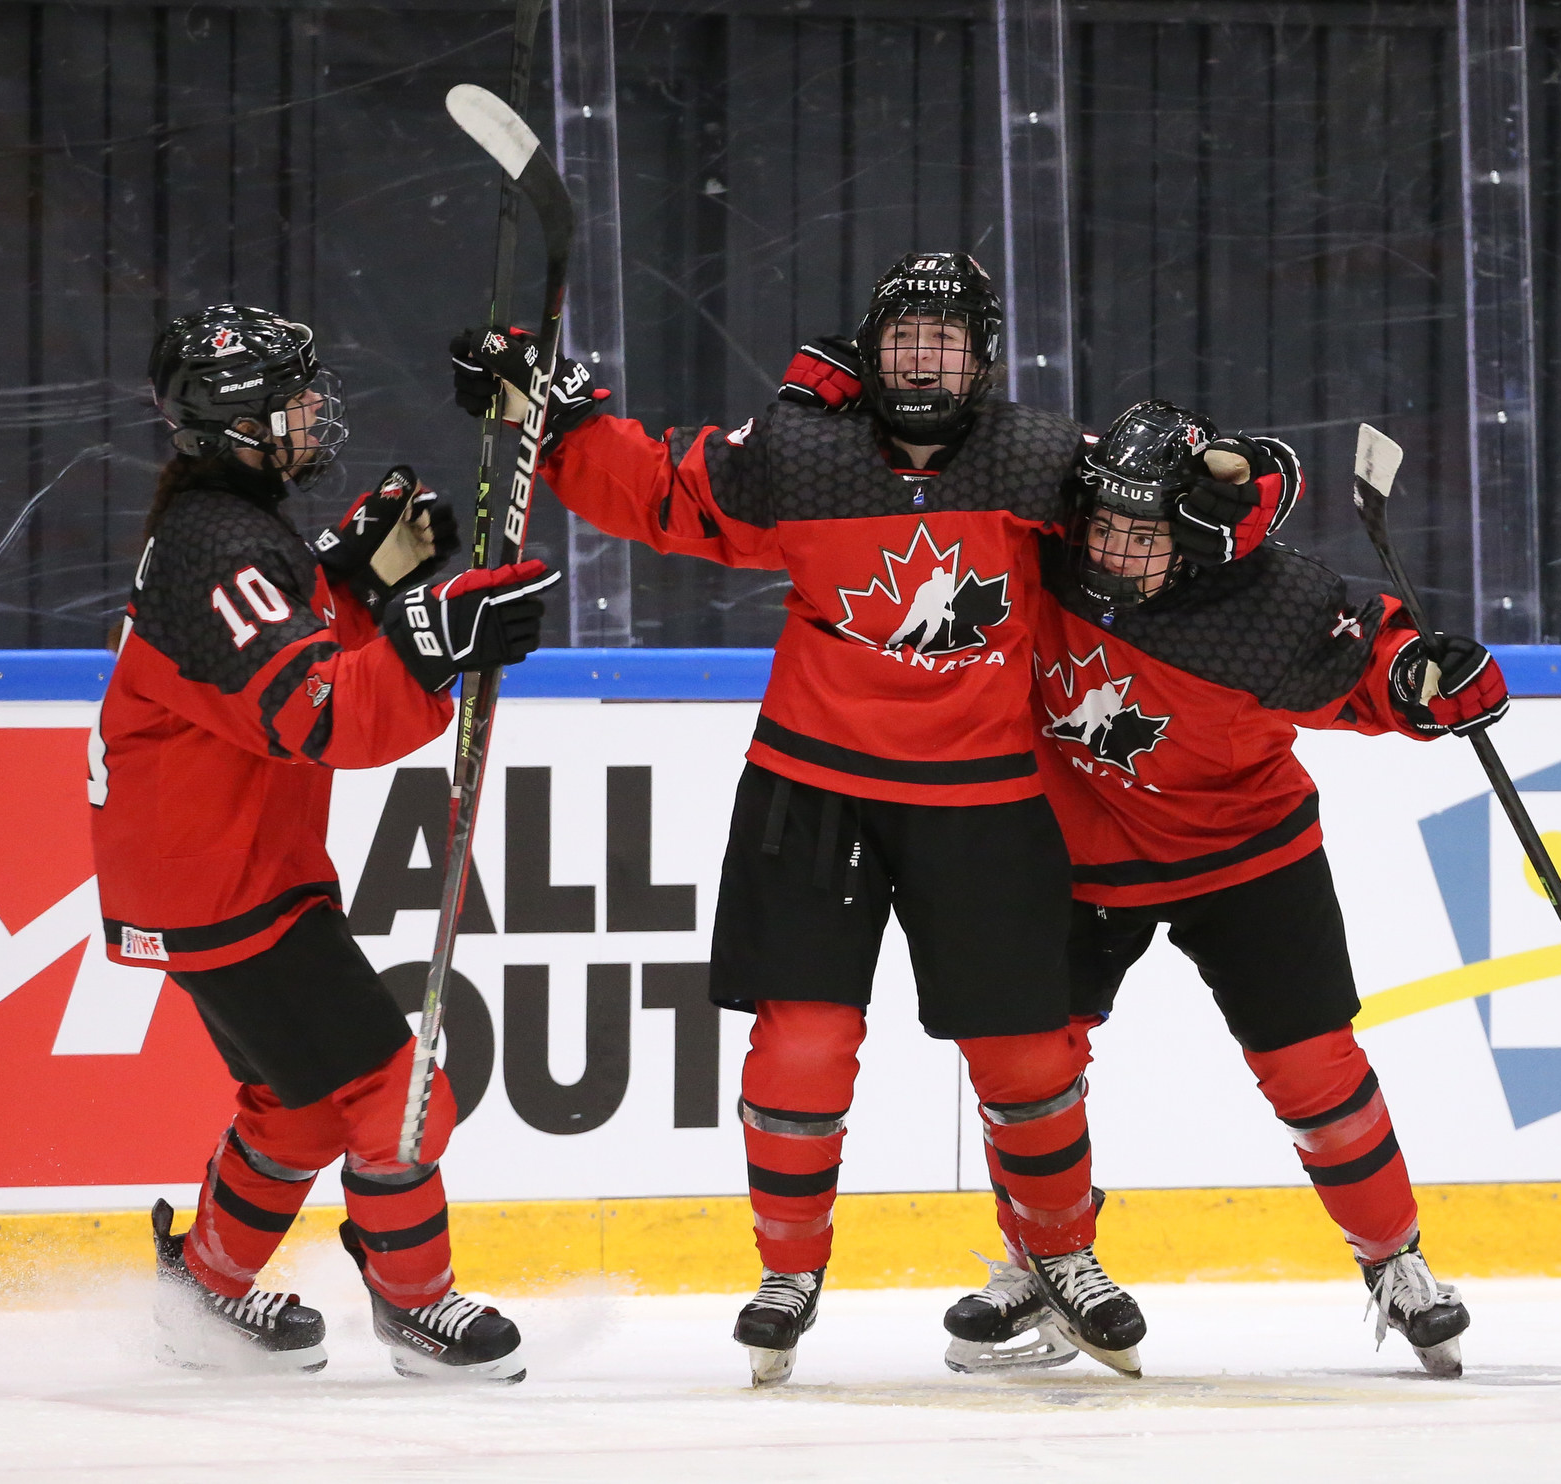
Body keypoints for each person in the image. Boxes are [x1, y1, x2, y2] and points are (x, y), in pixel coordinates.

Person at [450, 254, 1145, 1384]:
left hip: (985, 793)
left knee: (1025, 1051)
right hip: (812, 786)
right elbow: (663, 492)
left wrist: (1236, 492)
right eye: (904, 338)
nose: (922, 358)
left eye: (946, 341)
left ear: (982, 356)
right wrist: (554, 414)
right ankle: (787, 1268)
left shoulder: (1044, 462)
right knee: (802, 1047)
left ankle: (1063, 1254)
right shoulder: (800, 454)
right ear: (869, 353)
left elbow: (1156, 539)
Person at [936, 399, 1501, 1378]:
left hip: (1247, 853)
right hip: (1077, 856)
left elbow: (1371, 664)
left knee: (1312, 1069)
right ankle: (1041, 1256)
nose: (1113, 551)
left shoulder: (1267, 603)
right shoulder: (1037, 555)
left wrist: (1426, 679)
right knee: (1030, 1068)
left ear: (1193, 535)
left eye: (1142, 533)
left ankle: (1395, 1259)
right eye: (1102, 525)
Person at [92, 303, 555, 1380]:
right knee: (395, 1090)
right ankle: (415, 1305)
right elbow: (314, 714)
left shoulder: (231, 523)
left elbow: (287, 660)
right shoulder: (221, 544)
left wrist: (353, 585)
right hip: (220, 878)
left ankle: (206, 1291)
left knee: (300, 1101)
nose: (312, 413)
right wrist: (431, 639)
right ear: (238, 422)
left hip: (212, 868)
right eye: (291, 400)